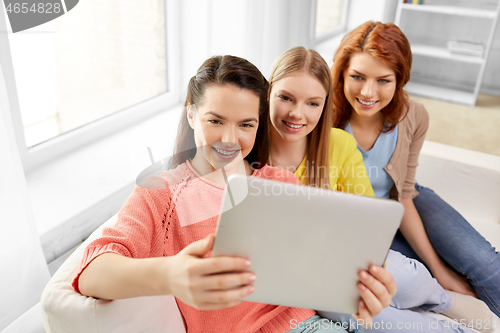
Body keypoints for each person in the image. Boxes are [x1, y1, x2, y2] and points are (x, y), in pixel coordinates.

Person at [72, 55, 395, 332]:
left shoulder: (281, 184)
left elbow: (314, 268)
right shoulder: (162, 195)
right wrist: (170, 273)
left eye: (246, 125)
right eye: (215, 120)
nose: (229, 139)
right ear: (191, 114)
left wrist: (357, 292)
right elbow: (91, 272)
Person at [268, 46, 494, 333]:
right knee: (356, 315)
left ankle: (442, 300)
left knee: (401, 274)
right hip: (302, 276)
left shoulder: (338, 144)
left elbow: (368, 219)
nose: (297, 114)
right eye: (285, 97)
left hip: (341, 250)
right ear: (268, 94)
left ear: (325, 105)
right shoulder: (251, 150)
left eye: (313, 103)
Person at [331, 20, 500, 320]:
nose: (368, 92)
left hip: (406, 198)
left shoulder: (413, 116)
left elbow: (404, 194)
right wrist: (438, 277)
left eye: (383, 80)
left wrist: (440, 269)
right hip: (362, 220)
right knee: (411, 278)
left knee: (484, 264)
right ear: (341, 74)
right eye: (357, 76)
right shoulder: (323, 117)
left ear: (399, 80)